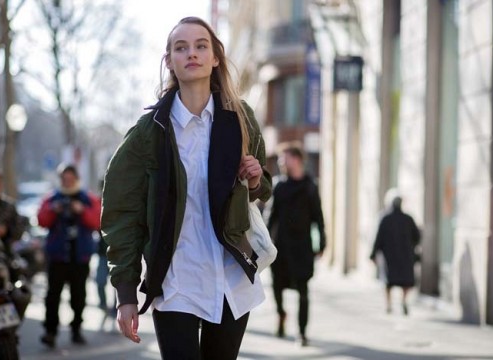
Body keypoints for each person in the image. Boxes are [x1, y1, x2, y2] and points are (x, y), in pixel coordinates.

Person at [101, 16, 272, 360]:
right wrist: (126, 294)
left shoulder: (241, 118)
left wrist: (255, 179)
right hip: (176, 280)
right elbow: (122, 216)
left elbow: (262, 187)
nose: (191, 53)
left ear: (215, 58)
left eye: (200, 46)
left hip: (230, 278)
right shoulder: (147, 133)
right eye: (181, 48)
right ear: (170, 61)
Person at [266, 143, 327, 347]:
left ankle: (301, 332)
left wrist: (323, 242)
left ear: (297, 159)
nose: (282, 162)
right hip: (281, 247)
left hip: (302, 248)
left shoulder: (310, 186)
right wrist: (264, 242)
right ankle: (281, 313)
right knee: (277, 287)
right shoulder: (279, 186)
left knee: (303, 291)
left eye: (285, 158)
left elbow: (318, 217)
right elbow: (271, 217)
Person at [37, 164, 101, 347]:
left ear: (76, 178)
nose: (68, 181)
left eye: (71, 178)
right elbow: (41, 220)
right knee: (52, 296)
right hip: (57, 257)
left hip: (79, 257)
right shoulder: (52, 198)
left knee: (78, 295)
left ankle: (76, 329)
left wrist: (82, 210)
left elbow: (97, 221)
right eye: (64, 178)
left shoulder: (87, 198)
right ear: (61, 179)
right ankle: (50, 331)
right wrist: (53, 210)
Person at [370, 188, 420, 315]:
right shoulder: (408, 219)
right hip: (405, 256)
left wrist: (373, 254)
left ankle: (389, 304)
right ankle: (403, 300)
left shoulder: (385, 219)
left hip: (389, 256)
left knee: (388, 281)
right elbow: (417, 236)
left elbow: (378, 238)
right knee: (405, 281)